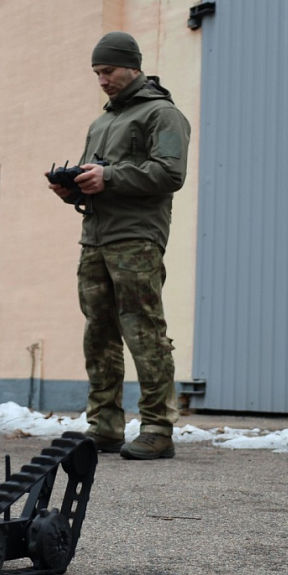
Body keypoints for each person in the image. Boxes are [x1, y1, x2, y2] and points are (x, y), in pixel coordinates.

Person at [49, 32, 190, 460]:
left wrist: (108, 177)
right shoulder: (101, 123)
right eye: (97, 73)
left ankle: (158, 429)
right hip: (95, 238)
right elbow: (98, 179)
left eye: (107, 71)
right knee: (99, 334)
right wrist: (73, 190)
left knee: (144, 332)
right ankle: (105, 426)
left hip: (136, 240)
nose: (102, 80)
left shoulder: (162, 114)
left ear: (132, 66)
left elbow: (170, 174)